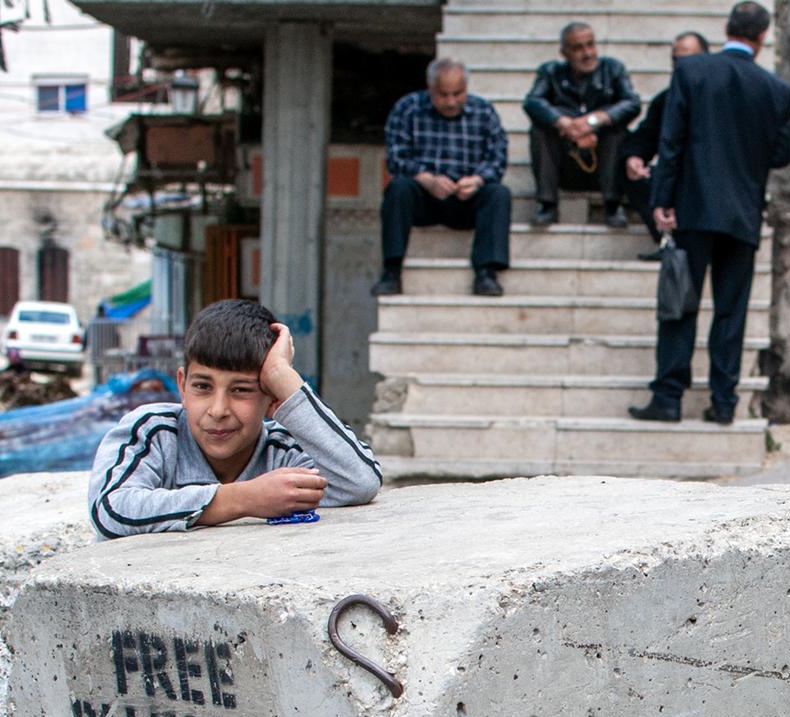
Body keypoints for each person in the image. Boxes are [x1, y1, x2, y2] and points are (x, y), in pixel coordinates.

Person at [87, 299, 381, 539]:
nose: (218, 410)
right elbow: (111, 509)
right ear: (182, 386)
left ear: (270, 397)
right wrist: (242, 499)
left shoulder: (284, 451)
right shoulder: (154, 432)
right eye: (202, 387)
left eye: (241, 390)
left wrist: (282, 376)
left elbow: (360, 482)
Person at [630, 2, 790, 425]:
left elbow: (672, 139)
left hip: (692, 207)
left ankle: (668, 397)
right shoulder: (775, 90)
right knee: (731, 311)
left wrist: (662, 198)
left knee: (680, 301)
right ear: (762, 38)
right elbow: (782, 153)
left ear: (727, 29)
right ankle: (724, 403)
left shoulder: (692, 72)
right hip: (743, 215)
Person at [376, 58, 511, 297]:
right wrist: (425, 178)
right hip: (424, 196)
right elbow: (396, 157)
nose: (450, 101)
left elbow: (497, 157)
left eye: (457, 94)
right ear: (430, 88)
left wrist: (477, 180)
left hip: (467, 198)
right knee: (398, 188)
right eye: (443, 94)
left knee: (498, 193)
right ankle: (391, 271)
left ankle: (486, 272)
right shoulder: (407, 108)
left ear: (466, 88)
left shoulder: (483, 111)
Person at [524, 23, 641, 227]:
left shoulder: (613, 69)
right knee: (540, 130)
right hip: (567, 161)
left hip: (604, 161)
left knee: (617, 130)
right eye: (578, 48)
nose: (587, 53)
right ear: (564, 52)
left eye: (590, 45)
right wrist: (565, 124)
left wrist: (593, 122)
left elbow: (632, 103)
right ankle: (547, 203)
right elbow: (532, 102)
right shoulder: (550, 72)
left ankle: (613, 203)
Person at [623, 32, 711, 260]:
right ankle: (668, 239)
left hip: (709, 179)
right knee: (635, 174)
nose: (681, 66)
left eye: (688, 59)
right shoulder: (666, 99)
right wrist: (635, 157)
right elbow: (646, 135)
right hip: (673, 176)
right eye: (676, 60)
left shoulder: (718, 97)